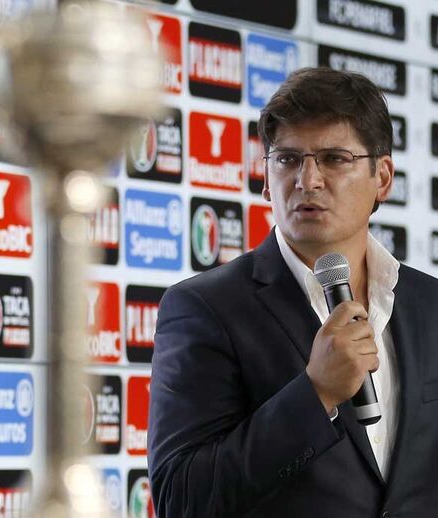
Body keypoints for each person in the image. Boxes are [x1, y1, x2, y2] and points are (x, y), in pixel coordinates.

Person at [148, 67, 438, 517]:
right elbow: (180, 499)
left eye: (334, 159)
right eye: (287, 159)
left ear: (382, 178)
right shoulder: (205, 308)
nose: (307, 180)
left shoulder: (430, 304)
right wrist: (315, 392)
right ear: (266, 179)